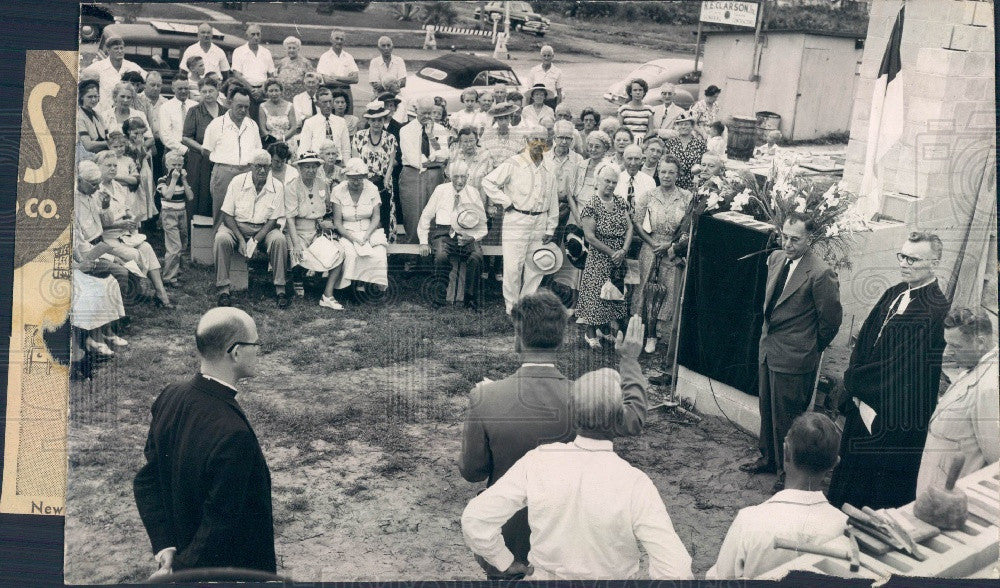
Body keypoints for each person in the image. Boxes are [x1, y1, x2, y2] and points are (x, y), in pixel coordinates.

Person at [460, 294, 652, 579]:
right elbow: (633, 419)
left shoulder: (485, 397)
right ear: (561, 340)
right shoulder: (585, 399)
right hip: (567, 539)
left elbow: (473, 472)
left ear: (517, 337)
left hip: (507, 536)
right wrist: (629, 361)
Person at [133, 307, 275, 576]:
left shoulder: (170, 396)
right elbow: (220, 524)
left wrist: (166, 545)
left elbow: (147, 479)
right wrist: (181, 573)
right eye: (255, 344)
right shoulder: (233, 434)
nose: (258, 350)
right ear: (235, 351)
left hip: (186, 548)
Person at [828, 231, 951, 509]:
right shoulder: (895, 292)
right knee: (849, 476)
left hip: (893, 415)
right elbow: (865, 340)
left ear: (935, 263)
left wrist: (853, 382)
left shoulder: (935, 310)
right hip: (865, 401)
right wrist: (855, 377)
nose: (905, 263)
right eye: (903, 256)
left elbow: (900, 369)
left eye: (914, 259)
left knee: (873, 492)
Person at [741, 213, 843, 493]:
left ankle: (789, 473)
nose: (787, 243)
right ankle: (768, 457)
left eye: (795, 239)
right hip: (769, 349)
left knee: (788, 417)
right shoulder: (775, 259)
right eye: (784, 236)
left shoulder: (821, 273)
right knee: (768, 409)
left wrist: (810, 346)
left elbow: (831, 320)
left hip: (796, 357)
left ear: (810, 239)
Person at [707, 413, 849, 580]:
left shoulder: (749, 521)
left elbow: (720, 579)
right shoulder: (844, 528)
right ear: (835, 463)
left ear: (786, 452)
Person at [916, 307, 999, 494]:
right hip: (934, 490)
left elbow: (996, 463)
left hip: (951, 500)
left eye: (955, 346)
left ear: (980, 342)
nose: (947, 353)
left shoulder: (990, 387)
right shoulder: (975, 367)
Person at [482, 127, 558, 314]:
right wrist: (505, 202)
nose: (538, 143)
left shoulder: (549, 166)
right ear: (526, 140)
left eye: (542, 139)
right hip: (517, 219)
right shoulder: (514, 163)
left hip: (540, 221)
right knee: (513, 267)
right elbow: (488, 182)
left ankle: (527, 305)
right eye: (534, 138)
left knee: (536, 266)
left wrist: (551, 227)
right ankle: (512, 307)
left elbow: (553, 198)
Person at [95, 150, 172, 308]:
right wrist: (119, 224)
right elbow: (97, 224)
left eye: (115, 166)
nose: (112, 169)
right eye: (108, 165)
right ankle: (133, 293)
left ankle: (161, 294)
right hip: (107, 238)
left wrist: (130, 217)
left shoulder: (117, 186)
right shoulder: (95, 190)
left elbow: (126, 208)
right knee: (134, 254)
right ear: (98, 166)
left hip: (125, 234)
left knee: (147, 248)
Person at [213, 150, 289, 308]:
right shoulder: (237, 182)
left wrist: (254, 241)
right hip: (236, 226)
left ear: (270, 168)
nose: (262, 170)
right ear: (250, 166)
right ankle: (223, 290)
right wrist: (241, 240)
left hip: (264, 229)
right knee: (221, 239)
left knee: (279, 240)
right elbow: (227, 214)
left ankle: (280, 290)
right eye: (258, 166)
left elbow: (273, 220)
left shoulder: (277, 186)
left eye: (266, 167)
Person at [632, 156, 690, 353]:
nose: (666, 176)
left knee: (668, 291)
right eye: (663, 171)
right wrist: (652, 243)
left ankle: (658, 335)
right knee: (644, 291)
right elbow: (638, 223)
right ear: (658, 172)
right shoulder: (648, 195)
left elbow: (687, 228)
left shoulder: (686, 197)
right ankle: (643, 333)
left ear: (678, 174)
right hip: (651, 248)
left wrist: (671, 245)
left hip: (673, 251)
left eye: (671, 172)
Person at [577, 164, 633, 348]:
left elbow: (630, 227)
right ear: (598, 181)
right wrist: (612, 253)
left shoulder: (620, 201)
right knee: (596, 293)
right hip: (600, 256)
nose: (610, 185)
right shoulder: (591, 205)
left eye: (614, 182)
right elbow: (590, 237)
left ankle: (605, 328)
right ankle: (590, 332)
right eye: (607, 181)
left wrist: (623, 251)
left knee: (614, 294)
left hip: (619, 256)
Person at [417, 160, 487, 306]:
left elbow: (483, 225)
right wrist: (423, 241)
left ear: (468, 176)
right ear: (449, 175)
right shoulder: (440, 190)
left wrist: (472, 237)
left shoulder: (473, 193)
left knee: (476, 257)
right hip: (443, 233)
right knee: (441, 256)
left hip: (466, 234)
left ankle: (470, 298)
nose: (460, 181)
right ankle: (440, 296)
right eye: (456, 177)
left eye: (463, 177)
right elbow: (426, 216)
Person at [325, 158, 388, 301]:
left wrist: (366, 236)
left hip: (369, 230)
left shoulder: (372, 188)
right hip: (347, 231)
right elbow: (338, 222)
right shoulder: (338, 190)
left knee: (378, 254)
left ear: (365, 177)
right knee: (351, 254)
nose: (356, 182)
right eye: (352, 178)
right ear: (347, 177)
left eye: (360, 178)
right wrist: (352, 238)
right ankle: (349, 289)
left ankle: (370, 288)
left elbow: (376, 217)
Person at [74, 159, 134, 305]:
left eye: (98, 183)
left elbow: (106, 223)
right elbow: (80, 245)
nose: (97, 187)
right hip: (87, 251)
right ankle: (117, 316)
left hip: (101, 243)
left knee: (129, 264)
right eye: (93, 184)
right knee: (121, 271)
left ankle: (124, 306)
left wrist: (106, 205)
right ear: (80, 180)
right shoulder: (72, 202)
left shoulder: (95, 193)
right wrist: (110, 257)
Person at [204, 86, 263, 224]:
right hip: (224, 173)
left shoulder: (252, 125)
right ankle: (218, 244)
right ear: (230, 103)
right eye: (239, 106)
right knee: (221, 214)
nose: (243, 110)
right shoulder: (216, 124)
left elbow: (257, 150)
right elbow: (206, 151)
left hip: (248, 173)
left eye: (246, 107)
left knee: (245, 213)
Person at [398, 97, 450, 244]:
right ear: (416, 111)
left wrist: (431, 136)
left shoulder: (440, 129)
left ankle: (433, 254)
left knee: (434, 213)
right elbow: (413, 158)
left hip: (434, 175)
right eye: (424, 113)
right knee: (413, 215)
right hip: (412, 175)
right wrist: (434, 158)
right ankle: (414, 258)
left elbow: (445, 154)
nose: (427, 116)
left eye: (430, 113)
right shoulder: (406, 130)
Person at [283, 151, 330, 297]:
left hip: (317, 228)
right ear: (300, 168)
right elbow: (290, 217)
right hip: (297, 229)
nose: (311, 170)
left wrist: (324, 222)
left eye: (313, 167)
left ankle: (315, 278)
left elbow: (327, 208)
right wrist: (296, 243)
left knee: (328, 250)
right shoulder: (292, 186)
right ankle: (298, 278)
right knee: (298, 252)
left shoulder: (323, 184)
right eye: (307, 167)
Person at [352, 101, 398, 240]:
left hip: (383, 183)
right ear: (368, 120)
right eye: (373, 120)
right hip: (364, 181)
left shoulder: (390, 138)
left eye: (380, 120)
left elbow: (391, 163)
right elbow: (356, 162)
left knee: (384, 214)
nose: (377, 123)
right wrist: (363, 181)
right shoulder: (359, 136)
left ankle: (385, 248)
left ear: (383, 120)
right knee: (366, 213)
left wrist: (386, 180)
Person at [182, 77, 223, 218]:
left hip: (221, 159)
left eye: (211, 91)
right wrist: (202, 149)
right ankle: (194, 233)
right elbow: (186, 137)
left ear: (218, 91)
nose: (207, 94)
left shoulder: (226, 112)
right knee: (199, 195)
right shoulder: (194, 111)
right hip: (199, 159)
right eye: (204, 91)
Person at [156, 150, 194, 287]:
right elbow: (168, 195)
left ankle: (177, 273)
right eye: (174, 164)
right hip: (169, 213)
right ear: (167, 165)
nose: (177, 168)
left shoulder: (182, 181)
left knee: (183, 243)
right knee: (174, 246)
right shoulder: (162, 180)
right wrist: (173, 179)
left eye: (179, 165)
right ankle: (168, 277)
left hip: (182, 213)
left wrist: (183, 180)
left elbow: (190, 197)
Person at [81, 31, 145, 108]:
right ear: (108, 50)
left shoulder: (132, 66)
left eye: (121, 48)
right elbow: (82, 78)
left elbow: (147, 81)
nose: (120, 51)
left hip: (125, 110)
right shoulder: (98, 67)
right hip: (104, 111)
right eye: (116, 48)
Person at [545, 120, 584, 239]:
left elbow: (579, 186)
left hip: (569, 209)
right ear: (554, 137)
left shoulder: (578, 160)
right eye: (561, 137)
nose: (563, 141)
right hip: (547, 208)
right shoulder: (544, 158)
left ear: (572, 139)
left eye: (568, 138)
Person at [297, 87, 351, 159]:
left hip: (337, 162)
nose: (328, 105)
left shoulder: (341, 122)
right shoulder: (310, 123)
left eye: (330, 101)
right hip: (317, 162)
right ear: (317, 104)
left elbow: (346, 149)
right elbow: (304, 148)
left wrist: (346, 166)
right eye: (324, 102)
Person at [123, 117, 157, 226]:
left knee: (144, 198)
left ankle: (142, 222)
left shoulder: (140, 141)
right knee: (135, 201)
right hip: (135, 176)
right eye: (136, 133)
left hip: (144, 173)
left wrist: (146, 151)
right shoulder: (127, 144)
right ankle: (134, 224)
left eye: (142, 133)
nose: (139, 136)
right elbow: (137, 161)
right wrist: (139, 147)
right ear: (128, 131)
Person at [316, 29, 359, 112]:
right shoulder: (325, 57)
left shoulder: (348, 57)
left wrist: (335, 77)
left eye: (341, 39)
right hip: (330, 92)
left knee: (347, 118)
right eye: (337, 38)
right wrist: (347, 80)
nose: (339, 41)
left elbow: (355, 79)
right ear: (331, 40)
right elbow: (327, 81)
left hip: (346, 92)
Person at [230, 24, 275, 104]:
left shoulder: (266, 52)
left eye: (258, 34)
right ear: (247, 36)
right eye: (253, 34)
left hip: (263, 91)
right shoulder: (239, 51)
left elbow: (271, 75)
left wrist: (262, 90)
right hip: (244, 90)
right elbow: (237, 74)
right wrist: (251, 89)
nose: (256, 37)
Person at [662, 111, 706, 190]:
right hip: (673, 184)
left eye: (686, 124)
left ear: (692, 126)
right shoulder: (670, 143)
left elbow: (704, 165)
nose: (683, 127)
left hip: (693, 184)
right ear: (677, 127)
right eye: (680, 124)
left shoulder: (700, 144)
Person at [159, 77, 197, 160]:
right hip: (173, 152)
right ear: (173, 89)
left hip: (194, 151)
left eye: (186, 88)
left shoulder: (195, 106)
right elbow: (165, 135)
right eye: (180, 88)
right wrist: (184, 150)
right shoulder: (165, 107)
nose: (183, 91)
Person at [574, 130, 613, 211]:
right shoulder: (580, 165)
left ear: (605, 149)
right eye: (590, 146)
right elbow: (572, 195)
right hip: (577, 213)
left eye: (597, 147)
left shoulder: (610, 168)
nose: (593, 149)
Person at [615, 144, 655, 213]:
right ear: (624, 159)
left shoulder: (649, 181)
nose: (633, 163)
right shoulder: (616, 180)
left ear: (642, 160)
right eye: (629, 158)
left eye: (636, 159)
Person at [275, 36, 314, 102]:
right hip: (283, 98)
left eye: (294, 48)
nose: (291, 50)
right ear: (286, 49)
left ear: (298, 49)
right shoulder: (282, 62)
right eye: (289, 48)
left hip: (299, 99)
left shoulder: (306, 63)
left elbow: (312, 80)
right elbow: (277, 77)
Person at [258, 80, 297, 146]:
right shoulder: (262, 106)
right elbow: (262, 128)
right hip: (271, 142)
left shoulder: (289, 106)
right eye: (271, 91)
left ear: (281, 91)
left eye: (276, 90)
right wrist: (273, 140)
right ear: (266, 92)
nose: (274, 94)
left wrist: (282, 139)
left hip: (288, 141)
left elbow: (293, 128)